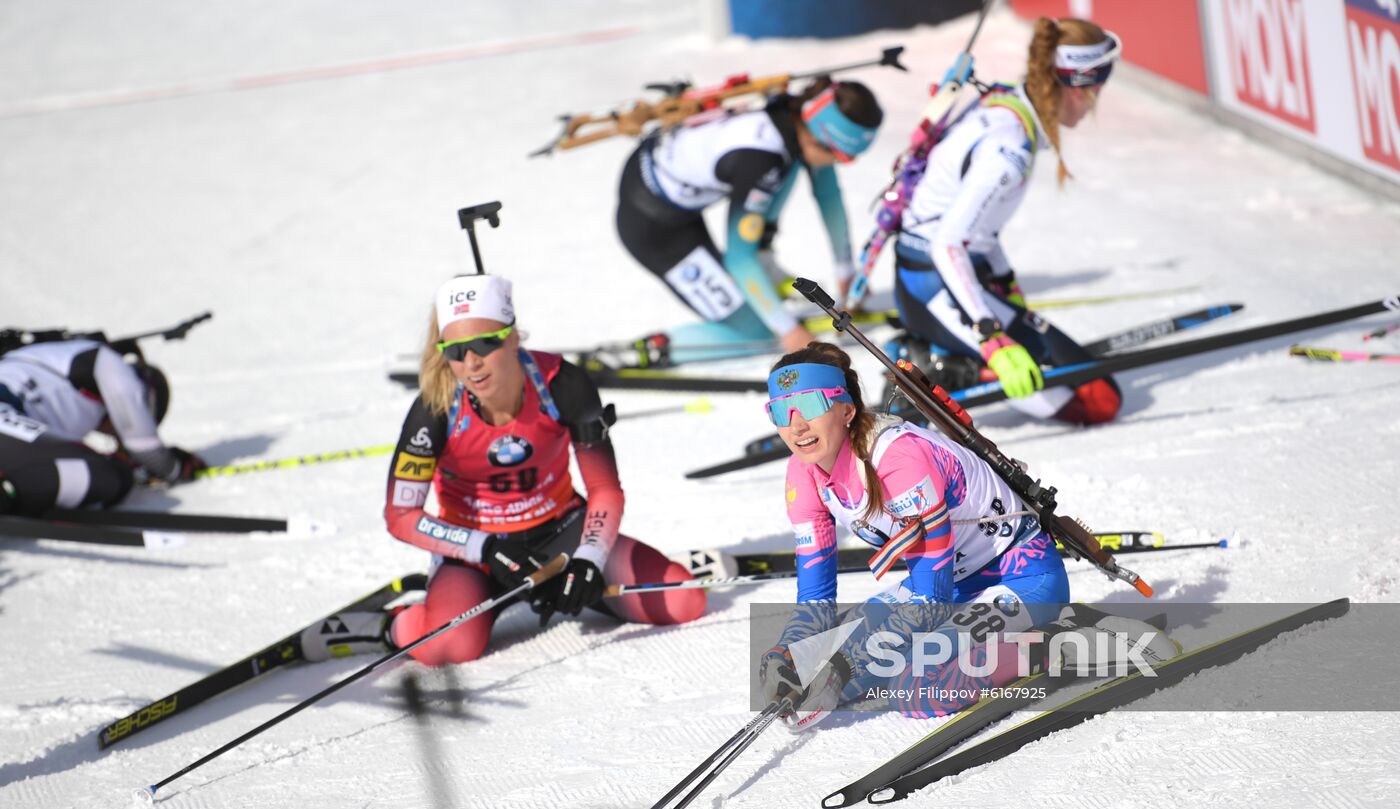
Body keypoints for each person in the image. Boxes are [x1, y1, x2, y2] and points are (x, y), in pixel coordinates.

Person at [303, 274, 706, 665]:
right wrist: (485, 548)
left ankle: (589, 587)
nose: (471, 362)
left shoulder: (562, 384)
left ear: (513, 336)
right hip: (476, 551)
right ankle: (388, 627)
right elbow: (401, 516)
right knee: (449, 649)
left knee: (685, 600)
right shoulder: (436, 409)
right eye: (456, 350)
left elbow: (604, 488)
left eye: (484, 344)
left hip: (562, 532)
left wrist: (589, 559)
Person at [756, 343, 1071, 727]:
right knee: (813, 665)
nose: (796, 426)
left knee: (917, 689)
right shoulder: (802, 472)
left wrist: (844, 664)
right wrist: (787, 655)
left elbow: (930, 600)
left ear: (846, 410)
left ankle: (1058, 644)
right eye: (779, 412)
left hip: (1022, 579)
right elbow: (815, 598)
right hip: (952, 586)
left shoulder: (898, 459)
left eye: (809, 406)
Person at [889, 17, 1124, 423]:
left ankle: (947, 352)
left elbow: (979, 225)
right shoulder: (1009, 150)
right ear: (1074, 84)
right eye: (1095, 89)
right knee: (1099, 403)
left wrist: (1005, 282)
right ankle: (941, 370)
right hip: (932, 288)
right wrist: (993, 337)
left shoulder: (1010, 106)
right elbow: (948, 243)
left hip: (955, 279)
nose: (1095, 101)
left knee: (1100, 385)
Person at [613, 77, 884, 366]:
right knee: (755, 330)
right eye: (841, 156)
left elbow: (827, 193)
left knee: (790, 161)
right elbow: (739, 259)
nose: (839, 164)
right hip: (653, 226)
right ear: (819, 137)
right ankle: (649, 350)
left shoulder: (794, 116)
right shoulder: (761, 159)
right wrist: (788, 331)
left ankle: (763, 262)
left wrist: (845, 270)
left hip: (667, 183)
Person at [0, 338, 204, 516]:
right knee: (111, 475)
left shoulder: (55, 365)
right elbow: (145, 449)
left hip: (10, 423)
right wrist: (175, 468)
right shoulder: (110, 362)